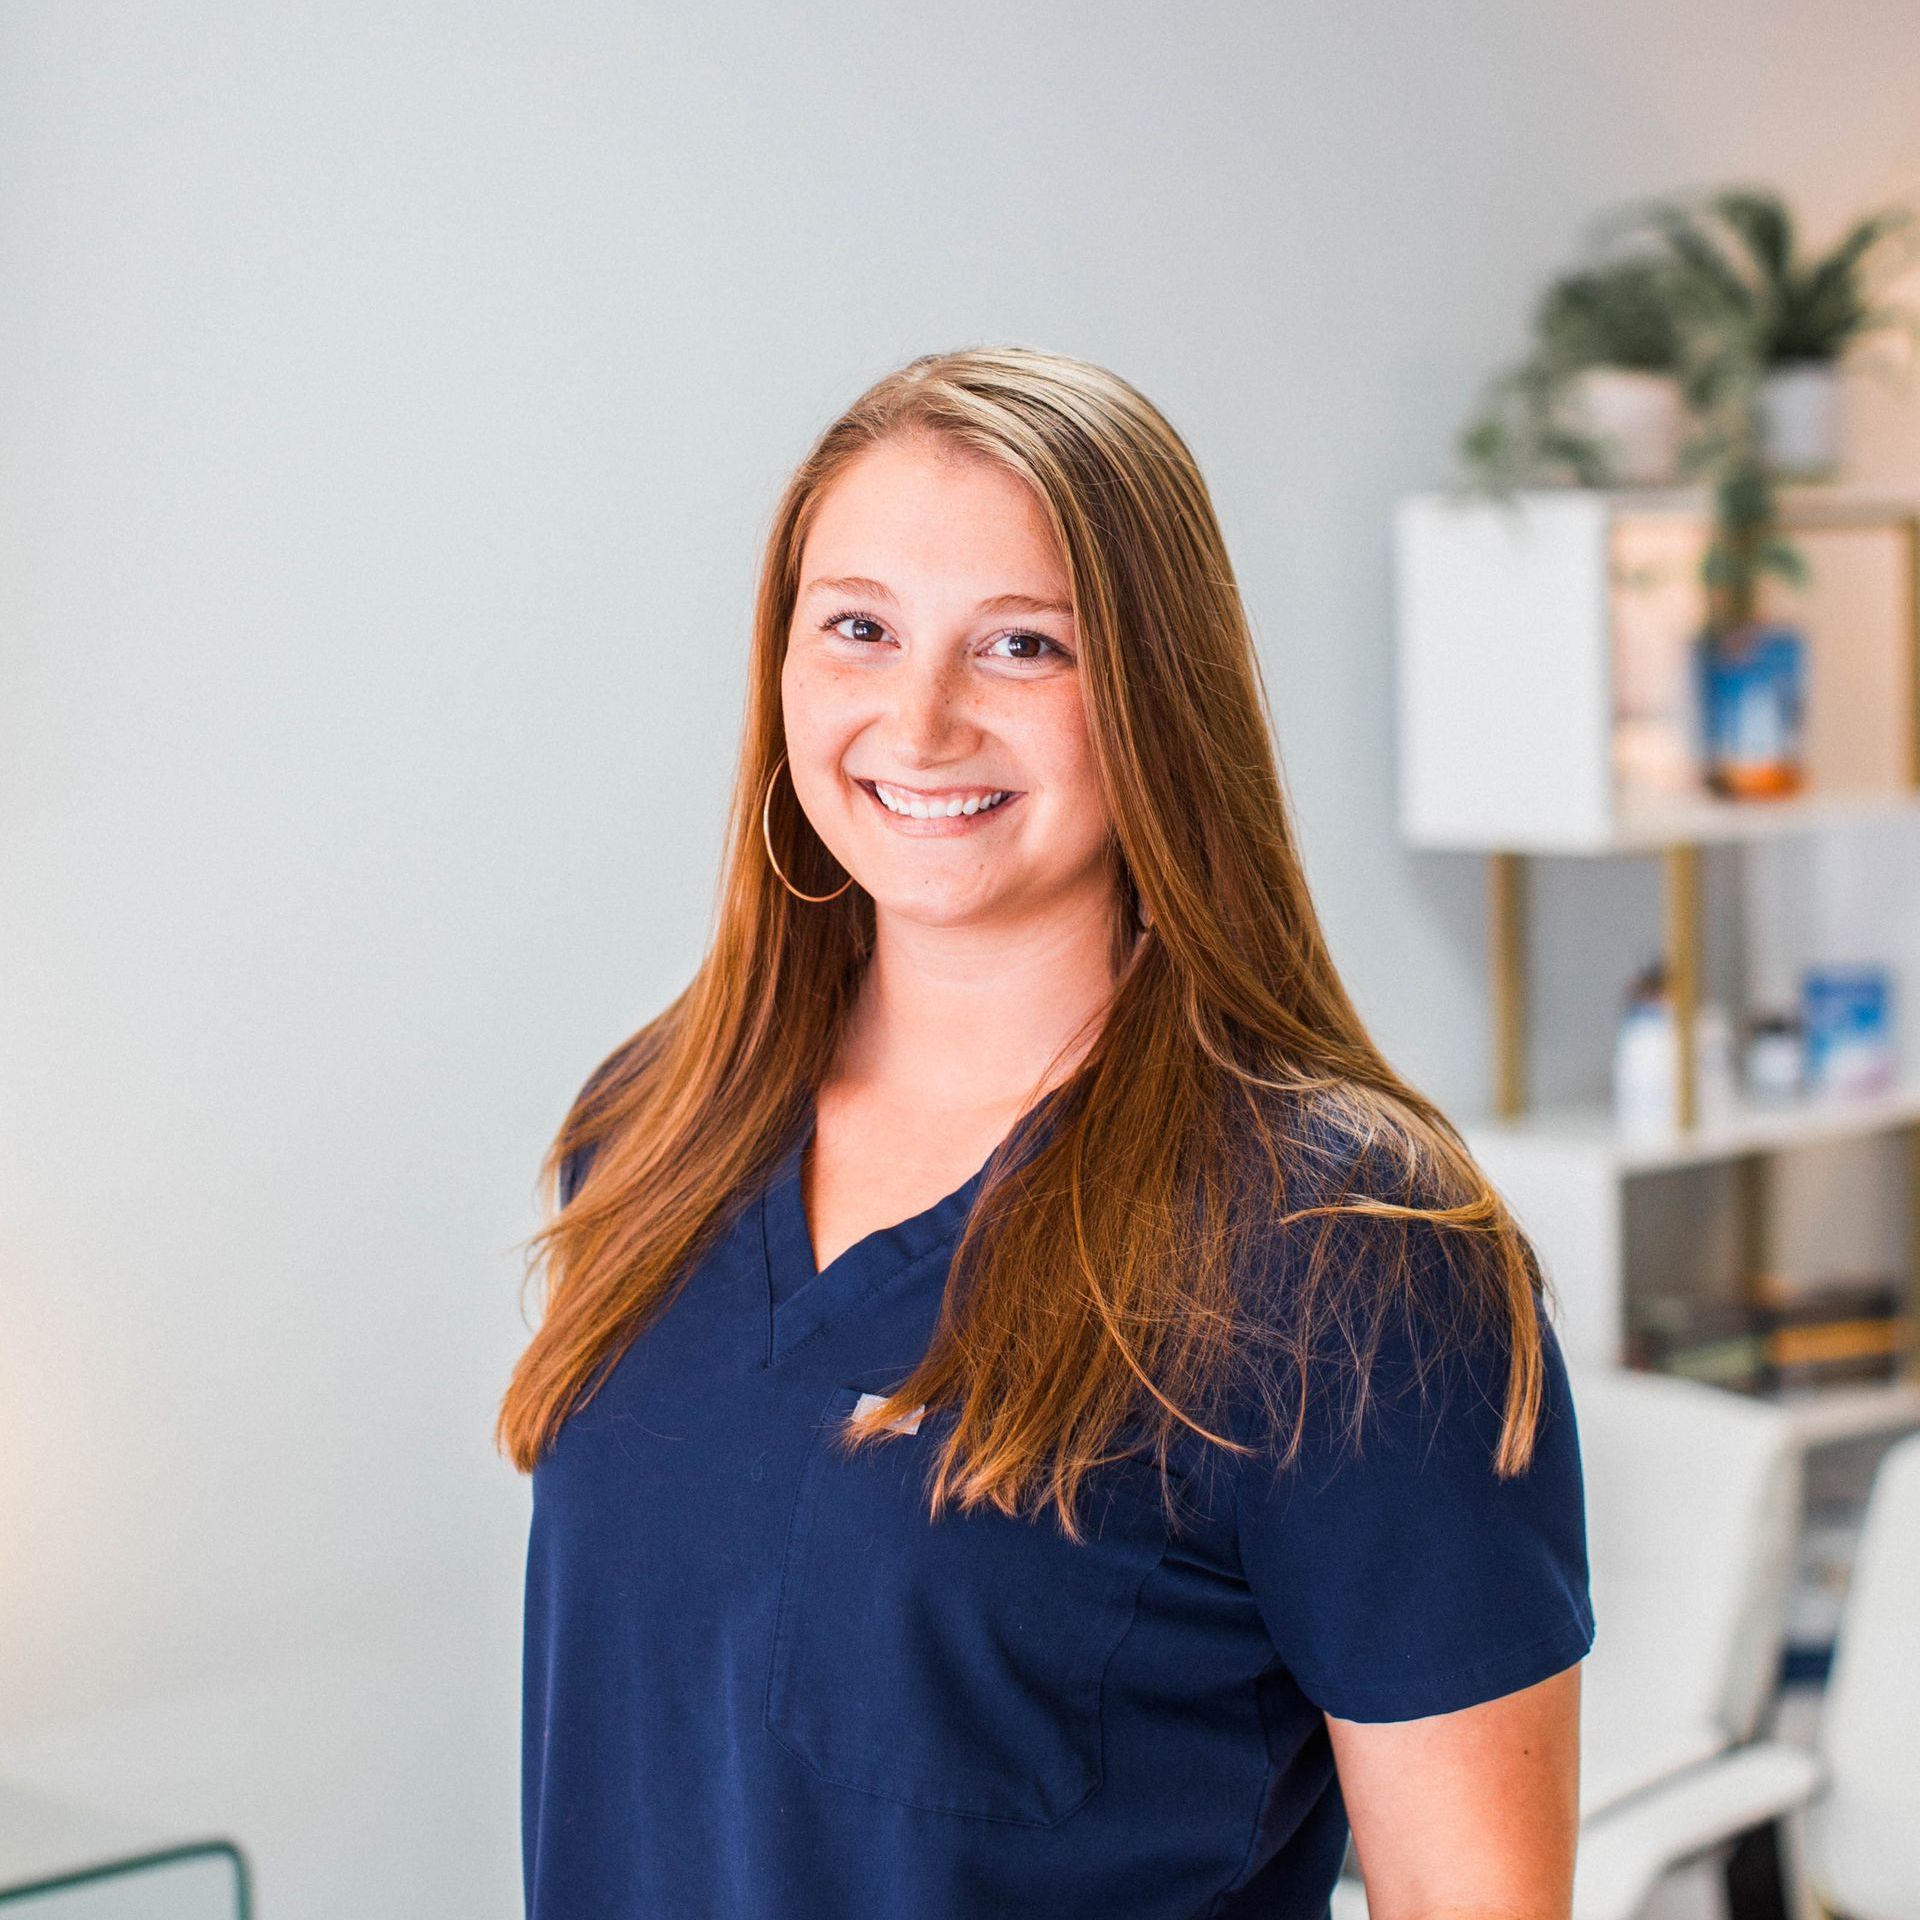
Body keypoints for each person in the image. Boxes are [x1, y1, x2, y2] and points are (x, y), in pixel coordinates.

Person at [499, 345, 1595, 1919]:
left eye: (1021, 646)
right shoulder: (651, 1126)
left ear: (1159, 696)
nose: (920, 719)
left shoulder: (1351, 1260)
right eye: (859, 628)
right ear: (784, 669)